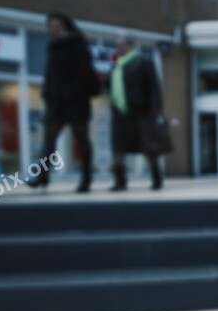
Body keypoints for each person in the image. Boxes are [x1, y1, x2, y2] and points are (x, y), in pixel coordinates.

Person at [29, 12, 97, 192]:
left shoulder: (78, 44)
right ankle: (42, 176)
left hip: (76, 102)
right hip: (55, 103)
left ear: (66, 26)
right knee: (48, 140)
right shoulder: (52, 46)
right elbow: (51, 75)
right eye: (50, 26)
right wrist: (47, 94)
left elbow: (85, 72)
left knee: (82, 141)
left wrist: (71, 92)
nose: (53, 29)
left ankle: (86, 179)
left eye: (57, 26)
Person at [108, 33, 164, 191]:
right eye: (117, 45)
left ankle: (156, 178)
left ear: (131, 45)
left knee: (148, 146)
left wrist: (156, 108)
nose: (118, 48)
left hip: (140, 111)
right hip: (120, 112)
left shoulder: (143, 61)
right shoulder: (116, 65)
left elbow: (154, 86)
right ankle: (120, 181)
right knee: (118, 147)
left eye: (121, 44)